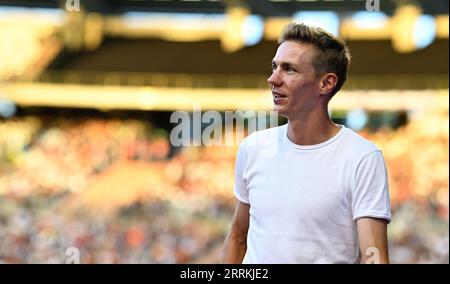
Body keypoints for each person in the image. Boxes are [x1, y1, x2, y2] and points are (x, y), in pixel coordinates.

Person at [221, 23, 391, 264]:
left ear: (326, 83)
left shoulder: (362, 158)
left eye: (289, 70)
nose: (272, 79)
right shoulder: (253, 148)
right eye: (274, 67)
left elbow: (373, 256)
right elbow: (237, 237)